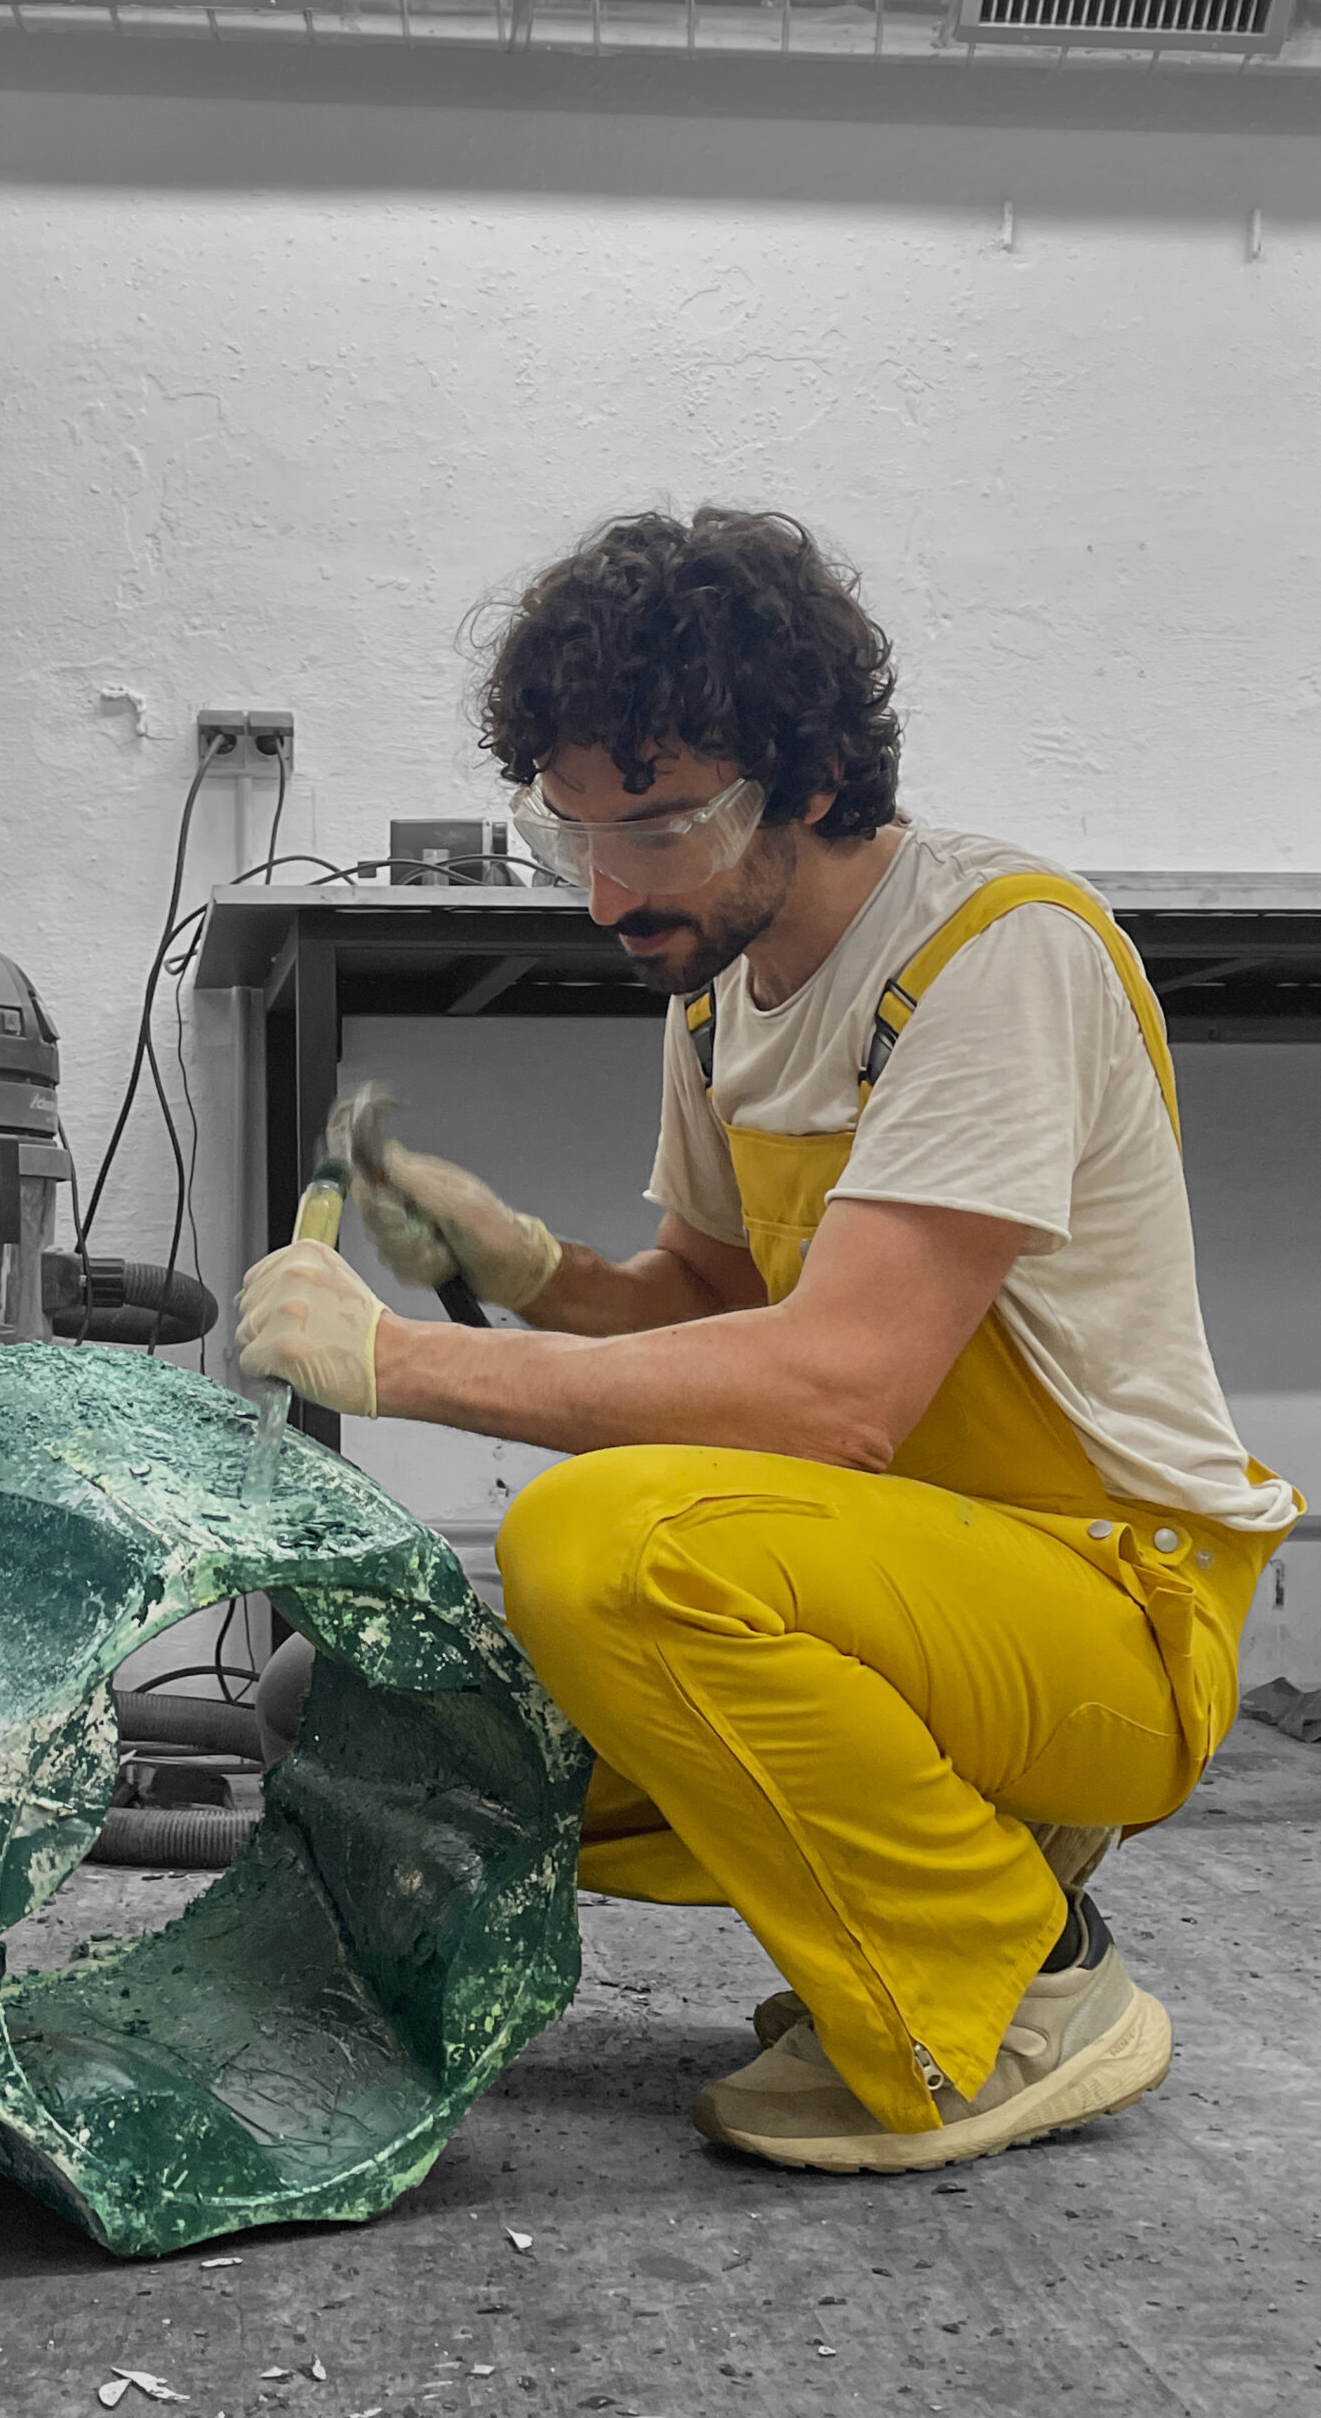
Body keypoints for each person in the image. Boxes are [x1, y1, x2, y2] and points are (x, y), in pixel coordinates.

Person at [236, 505, 1302, 2174]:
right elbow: (722, 1315)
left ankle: (1020, 1978)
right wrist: (531, 1266)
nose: (609, 893)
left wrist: (404, 1364)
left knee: (601, 1546)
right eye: (570, 833)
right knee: (346, 1704)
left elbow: (838, 1392)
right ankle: (950, 1859)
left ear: (814, 778)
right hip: (906, 1587)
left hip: (1111, 1612)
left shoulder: (994, 956)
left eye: (660, 828)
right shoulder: (716, 993)